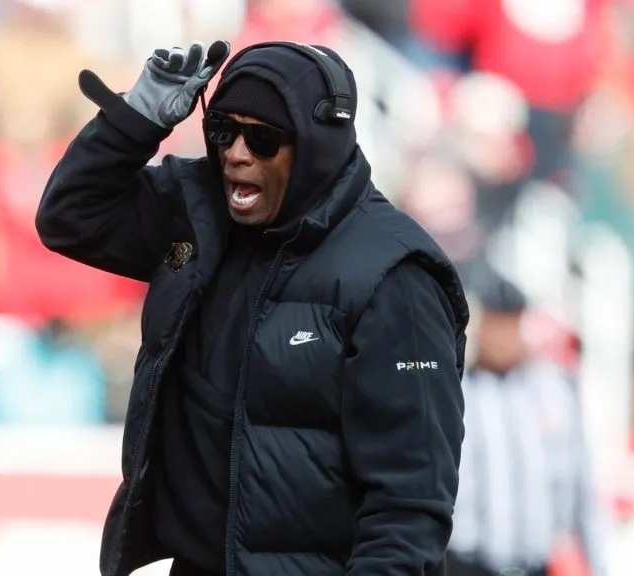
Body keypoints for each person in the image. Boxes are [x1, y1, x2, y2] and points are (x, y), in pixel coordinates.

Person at [35, 39, 470, 576]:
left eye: (263, 138)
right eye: (223, 131)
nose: (237, 153)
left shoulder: (396, 277)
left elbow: (410, 503)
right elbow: (69, 217)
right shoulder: (198, 210)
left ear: (317, 144)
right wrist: (137, 119)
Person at [447, 264, 608, 576]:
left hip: (533, 565)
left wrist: (598, 565)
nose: (505, 339)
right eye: (496, 326)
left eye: (512, 325)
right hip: (467, 565)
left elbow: (582, 487)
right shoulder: (457, 391)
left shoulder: (551, 389)